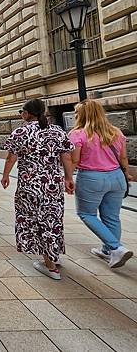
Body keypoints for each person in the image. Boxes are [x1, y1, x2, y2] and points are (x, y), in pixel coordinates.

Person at [1, 99, 75, 280]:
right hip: (53, 186)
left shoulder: (21, 132)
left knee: (34, 221)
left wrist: (5, 176)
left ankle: (50, 266)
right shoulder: (57, 131)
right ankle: (52, 256)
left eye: (21, 111)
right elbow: (66, 157)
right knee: (52, 220)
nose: (21, 114)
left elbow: (11, 158)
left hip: (30, 187)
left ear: (26, 113)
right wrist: (68, 178)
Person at [70, 99, 134, 268]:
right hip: (117, 178)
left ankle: (116, 247)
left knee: (87, 214)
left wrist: (67, 177)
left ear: (83, 115)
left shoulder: (78, 134)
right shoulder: (116, 132)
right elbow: (123, 158)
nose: (75, 115)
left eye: (77, 112)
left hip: (92, 178)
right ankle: (108, 251)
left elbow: (74, 160)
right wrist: (126, 174)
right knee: (112, 217)